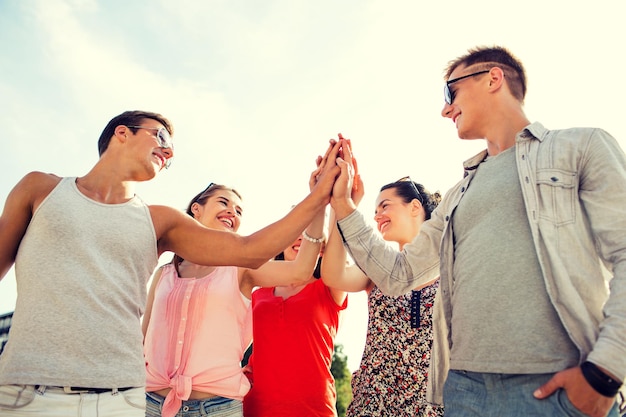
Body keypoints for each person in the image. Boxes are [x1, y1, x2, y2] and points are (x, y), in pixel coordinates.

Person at [330, 46, 626, 417]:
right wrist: (343, 205)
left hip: (558, 390)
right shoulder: (457, 196)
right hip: (464, 394)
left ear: (493, 78)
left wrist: (605, 373)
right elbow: (398, 274)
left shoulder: (580, 148)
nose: (445, 108)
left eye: (450, 92)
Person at [0, 110, 342, 416]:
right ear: (122, 133)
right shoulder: (40, 189)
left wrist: (320, 196)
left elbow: (251, 248)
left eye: (173, 150)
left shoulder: (159, 221)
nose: (169, 151)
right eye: (160, 136)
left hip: (120, 398)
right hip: (25, 390)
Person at [143, 173, 326, 417]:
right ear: (196, 209)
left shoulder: (241, 270)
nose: (232, 212)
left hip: (216, 408)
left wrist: (319, 200)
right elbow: (142, 341)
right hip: (152, 405)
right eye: (223, 202)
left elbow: (301, 270)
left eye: (239, 211)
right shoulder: (163, 274)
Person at [321, 176, 444, 417]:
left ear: (415, 207)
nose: (377, 216)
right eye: (375, 210)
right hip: (375, 403)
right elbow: (333, 276)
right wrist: (340, 206)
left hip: (434, 406)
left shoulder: (452, 267)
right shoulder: (377, 269)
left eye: (385, 206)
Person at [243, 223, 348, 417]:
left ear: (322, 247)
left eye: (309, 233)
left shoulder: (330, 288)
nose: (301, 238)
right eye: (295, 231)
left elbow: (339, 238)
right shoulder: (258, 293)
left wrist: (339, 200)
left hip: (313, 407)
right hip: (257, 405)